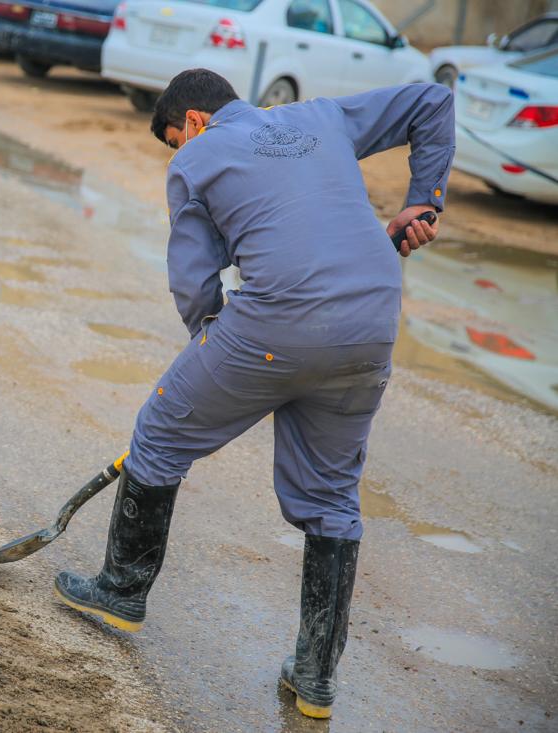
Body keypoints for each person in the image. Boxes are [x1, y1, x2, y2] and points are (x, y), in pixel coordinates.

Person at [54, 69, 454, 719]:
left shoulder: (199, 158)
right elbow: (432, 100)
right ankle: (317, 677)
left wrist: (209, 350)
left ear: (193, 122)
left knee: (159, 430)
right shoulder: (320, 117)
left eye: (173, 140)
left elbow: (194, 284)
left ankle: (121, 590)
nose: (177, 154)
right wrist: (423, 199)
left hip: (274, 324)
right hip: (372, 325)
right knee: (330, 496)